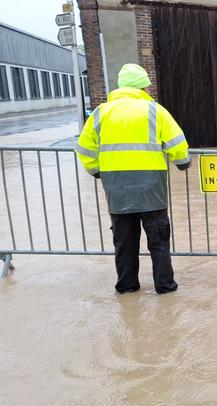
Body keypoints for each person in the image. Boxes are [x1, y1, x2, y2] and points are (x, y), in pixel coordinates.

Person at [75, 63, 191, 294]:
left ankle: (127, 287)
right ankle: (165, 287)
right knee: (158, 242)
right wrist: (182, 163)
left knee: (124, 243)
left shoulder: (101, 112)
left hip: (117, 190)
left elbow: (85, 148)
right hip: (152, 190)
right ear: (143, 87)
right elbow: (177, 144)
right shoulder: (154, 111)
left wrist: (96, 170)